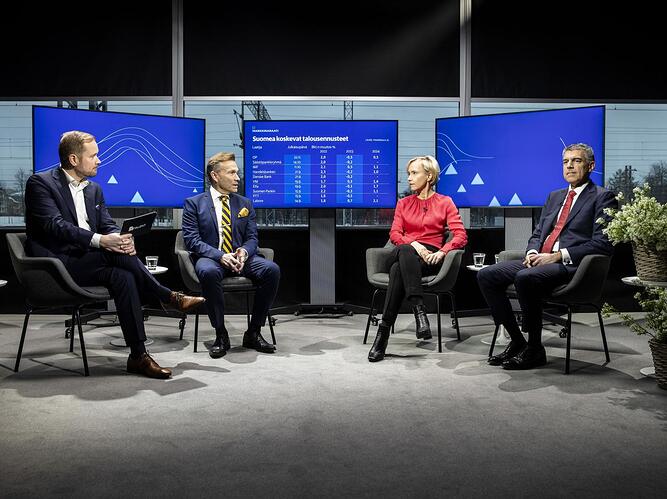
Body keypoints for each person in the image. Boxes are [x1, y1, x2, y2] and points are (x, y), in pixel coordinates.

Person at [25, 131, 205, 379]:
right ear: (74, 159)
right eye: (93, 156)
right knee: (115, 255)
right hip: (57, 264)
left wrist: (120, 239)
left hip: (89, 261)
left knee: (124, 276)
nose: (99, 160)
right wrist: (102, 241)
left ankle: (138, 356)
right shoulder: (40, 183)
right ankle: (168, 296)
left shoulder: (94, 189)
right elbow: (55, 226)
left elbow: (106, 224)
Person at [477, 143, 617, 370]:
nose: (569, 166)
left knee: (525, 277)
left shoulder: (602, 197)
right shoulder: (555, 196)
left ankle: (535, 349)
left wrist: (557, 256)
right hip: (541, 261)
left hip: (573, 268)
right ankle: (517, 341)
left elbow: (603, 243)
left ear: (591, 166)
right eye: (565, 161)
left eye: (576, 161)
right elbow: (538, 233)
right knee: (487, 275)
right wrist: (533, 252)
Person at [368, 155, 468, 362]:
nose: (409, 178)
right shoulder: (403, 203)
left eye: (414, 173)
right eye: (409, 174)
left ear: (429, 176)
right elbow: (395, 234)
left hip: (429, 259)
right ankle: (419, 311)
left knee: (397, 270)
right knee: (405, 251)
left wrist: (442, 252)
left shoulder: (445, 203)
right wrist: (415, 245)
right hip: (402, 250)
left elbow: (460, 235)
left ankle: (382, 337)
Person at [182, 152, 280, 359]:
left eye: (237, 173)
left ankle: (253, 332)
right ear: (215, 176)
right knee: (207, 272)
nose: (237, 178)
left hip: (241, 259)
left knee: (272, 270)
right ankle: (221, 334)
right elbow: (192, 240)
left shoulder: (245, 203)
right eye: (232, 173)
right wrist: (220, 256)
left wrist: (244, 251)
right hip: (211, 258)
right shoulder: (194, 203)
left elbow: (252, 238)